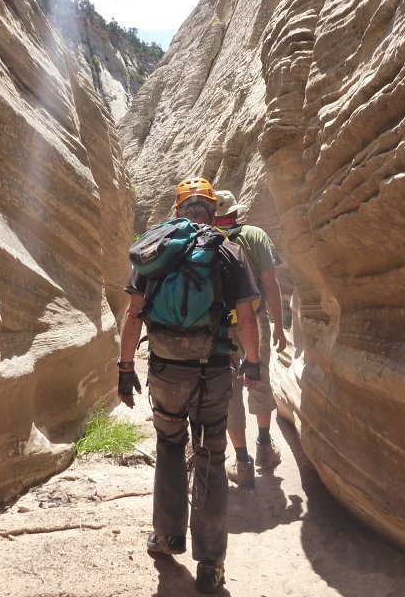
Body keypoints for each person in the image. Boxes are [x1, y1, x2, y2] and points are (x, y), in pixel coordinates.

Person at [118, 177, 261, 594]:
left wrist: (125, 369)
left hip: (165, 370)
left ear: (178, 210)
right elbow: (247, 319)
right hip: (213, 370)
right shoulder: (228, 249)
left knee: (168, 446)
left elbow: (133, 316)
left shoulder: (156, 250)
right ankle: (210, 563)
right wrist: (253, 363)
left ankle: (166, 537)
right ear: (214, 212)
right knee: (212, 456)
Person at [213, 190, 288, 489]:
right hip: (253, 320)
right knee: (259, 378)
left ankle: (241, 462)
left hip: (219, 326)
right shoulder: (255, 235)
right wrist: (280, 326)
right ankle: (264, 448)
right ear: (235, 211)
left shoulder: (206, 239)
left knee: (229, 391)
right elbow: (271, 285)